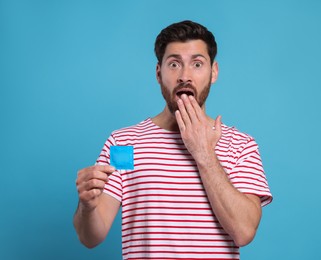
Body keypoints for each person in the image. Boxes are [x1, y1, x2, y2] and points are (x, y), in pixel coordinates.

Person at [74, 20, 272, 259]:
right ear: (159, 73)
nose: (184, 76)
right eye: (174, 64)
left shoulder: (241, 145)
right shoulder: (123, 143)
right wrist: (87, 206)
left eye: (197, 64)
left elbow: (244, 232)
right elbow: (91, 237)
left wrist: (204, 153)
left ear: (214, 72)